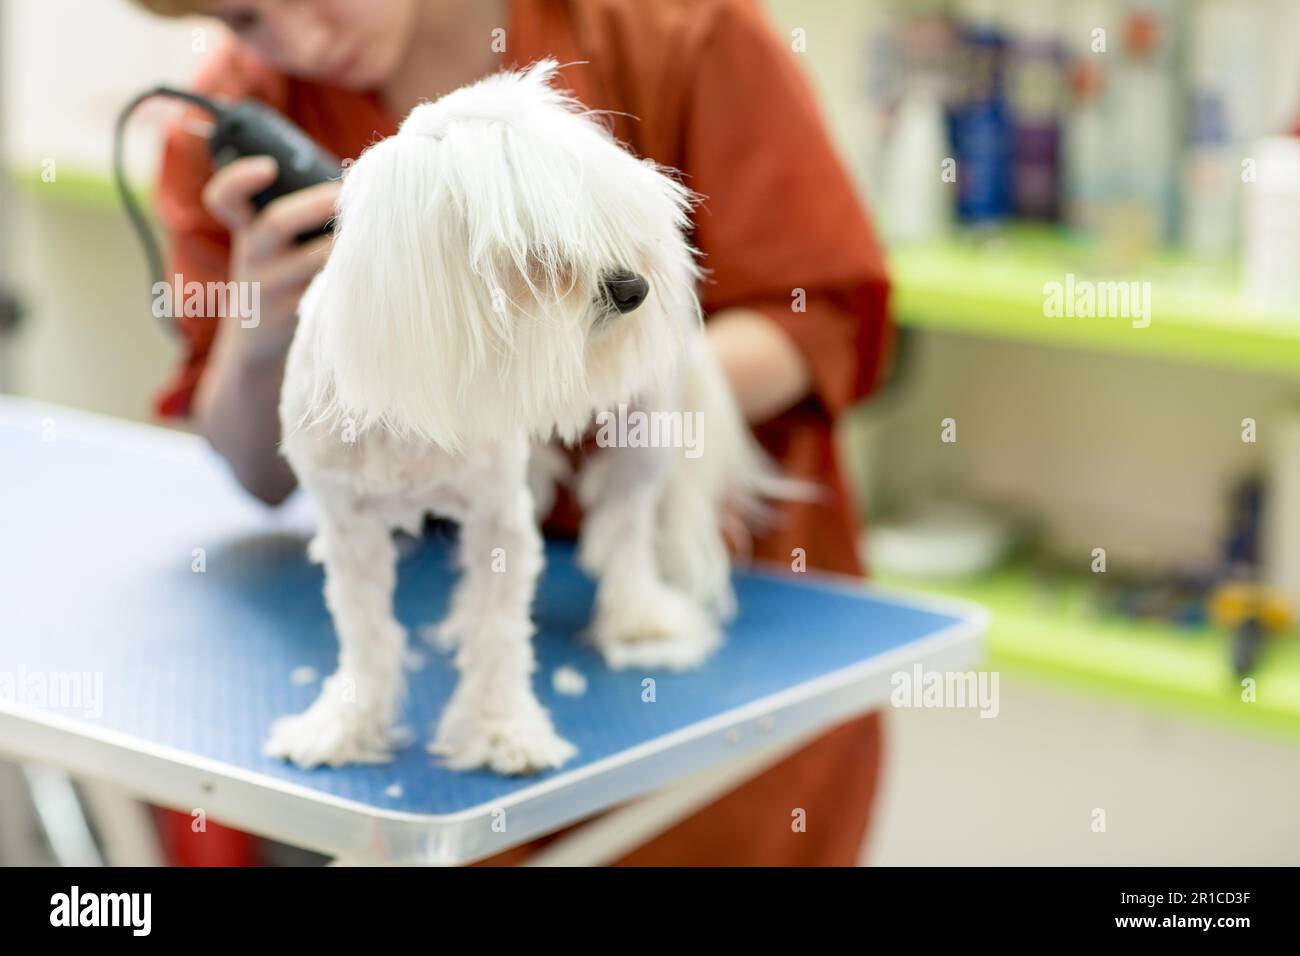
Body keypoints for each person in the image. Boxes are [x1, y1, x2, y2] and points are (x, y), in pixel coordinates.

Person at [136, 0, 894, 866]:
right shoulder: (229, 127)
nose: (304, 40)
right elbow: (261, 472)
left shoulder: (686, 29)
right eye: (245, 18)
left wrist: (593, 368)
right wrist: (260, 335)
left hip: (710, 691)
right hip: (408, 682)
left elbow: (821, 311)